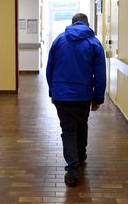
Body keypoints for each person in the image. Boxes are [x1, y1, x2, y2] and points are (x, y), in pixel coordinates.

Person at [46, 13, 106, 187]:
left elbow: (50, 68)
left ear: (72, 24)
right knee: (82, 125)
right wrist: (98, 98)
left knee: (68, 131)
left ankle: (73, 172)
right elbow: (100, 74)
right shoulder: (94, 43)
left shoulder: (59, 40)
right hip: (83, 96)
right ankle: (80, 156)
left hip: (62, 96)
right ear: (87, 24)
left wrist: (53, 91)